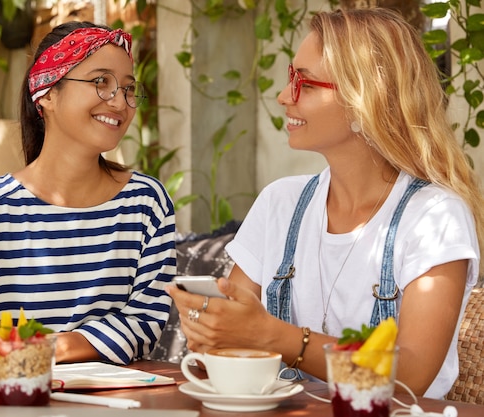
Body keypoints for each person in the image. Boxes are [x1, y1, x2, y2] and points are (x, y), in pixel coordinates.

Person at [167, 8, 484, 399]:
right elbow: (229, 346)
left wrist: (274, 335)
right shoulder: (279, 203)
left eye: (306, 84)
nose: (284, 97)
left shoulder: (433, 217)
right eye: (289, 79)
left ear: (365, 99)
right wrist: (212, 332)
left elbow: (410, 375)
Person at [0, 21, 176, 388]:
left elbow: (144, 323)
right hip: (11, 401)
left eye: (128, 89)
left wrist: (45, 349)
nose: (119, 101)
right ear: (46, 92)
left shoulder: (147, 203)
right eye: (101, 82)